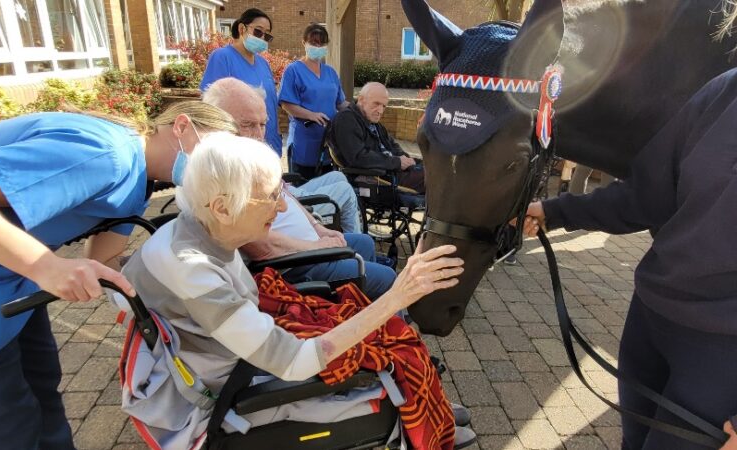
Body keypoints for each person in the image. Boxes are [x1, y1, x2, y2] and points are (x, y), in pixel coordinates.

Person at [119, 132, 475, 448]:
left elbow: (121, 295)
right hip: (226, 395)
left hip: (231, 357)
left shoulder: (191, 229)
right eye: (271, 196)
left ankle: (433, 405)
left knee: (381, 333)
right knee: (388, 340)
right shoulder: (192, 271)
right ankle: (421, 417)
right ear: (223, 208)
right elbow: (295, 363)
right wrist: (398, 295)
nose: (282, 204)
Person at [0, 100, 237, 449]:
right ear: (182, 126)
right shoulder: (105, 153)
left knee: (44, 395)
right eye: (213, 154)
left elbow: (105, 261)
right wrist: (44, 265)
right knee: (0, 428)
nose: (214, 169)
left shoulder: (139, 180)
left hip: (9, 285)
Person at [520, 68, 737, 450]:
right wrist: (554, 212)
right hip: (651, 319)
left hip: (722, 356)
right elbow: (648, 194)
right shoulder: (725, 89)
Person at [203, 76, 362, 234]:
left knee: (337, 176)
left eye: (263, 124)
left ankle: (351, 241)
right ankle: (352, 242)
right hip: (289, 204)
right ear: (218, 122)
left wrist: (316, 226)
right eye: (247, 125)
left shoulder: (242, 154)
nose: (259, 135)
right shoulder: (226, 165)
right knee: (346, 190)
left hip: (287, 192)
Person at [199, 8, 283, 155]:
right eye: (258, 31)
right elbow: (211, 106)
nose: (262, 38)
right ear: (242, 28)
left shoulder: (264, 63)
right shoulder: (222, 57)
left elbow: (270, 103)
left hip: (268, 142)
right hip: (240, 147)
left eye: (267, 35)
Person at [279, 23, 350, 179]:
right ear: (304, 42)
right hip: (304, 140)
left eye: (322, 44)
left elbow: (340, 103)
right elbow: (287, 104)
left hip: (329, 141)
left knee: (327, 186)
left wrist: (359, 110)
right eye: (314, 43)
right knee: (304, 188)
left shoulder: (330, 72)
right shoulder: (293, 71)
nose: (318, 47)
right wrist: (311, 115)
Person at [330, 82, 425, 194]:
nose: (380, 111)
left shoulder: (373, 121)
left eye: (383, 106)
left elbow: (392, 146)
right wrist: (397, 162)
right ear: (361, 99)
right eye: (376, 104)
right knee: (437, 177)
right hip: (377, 177)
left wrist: (407, 159)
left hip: (391, 170)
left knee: (433, 167)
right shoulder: (346, 119)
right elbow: (358, 157)